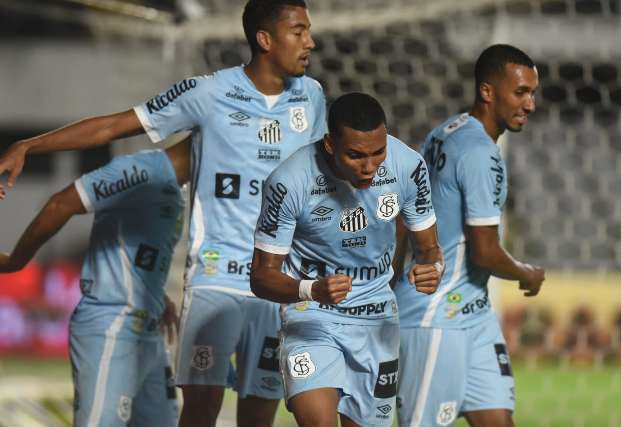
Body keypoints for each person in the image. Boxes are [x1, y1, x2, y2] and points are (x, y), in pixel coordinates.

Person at [0, 1, 326, 425]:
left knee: (259, 415)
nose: (310, 42)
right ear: (265, 40)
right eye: (298, 31)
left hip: (277, 284)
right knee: (201, 411)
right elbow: (114, 126)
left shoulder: (312, 97)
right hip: (216, 281)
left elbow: (320, 183)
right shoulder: (207, 94)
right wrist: (30, 145)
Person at [250, 92, 443, 427]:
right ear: (329, 144)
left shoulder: (408, 167)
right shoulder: (289, 181)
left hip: (376, 319)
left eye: (377, 152)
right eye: (355, 155)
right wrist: (312, 290)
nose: (369, 167)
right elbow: (261, 276)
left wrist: (433, 268)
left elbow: (429, 248)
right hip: (312, 319)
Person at [394, 44, 545, 427]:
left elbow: (404, 208)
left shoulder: (446, 130)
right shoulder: (480, 154)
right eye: (520, 92)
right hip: (436, 316)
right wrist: (526, 272)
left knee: (498, 419)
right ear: (487, 92)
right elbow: (484, 252)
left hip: (474, 315)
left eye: (533, 93)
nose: (530, 104)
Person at [0, 141, 190, 426]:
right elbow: (61, 203)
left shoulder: (180, 189)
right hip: (112, 325)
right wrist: (17, 260)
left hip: (149, 332)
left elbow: (135, 249)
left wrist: (157, 295)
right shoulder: (140, 171)